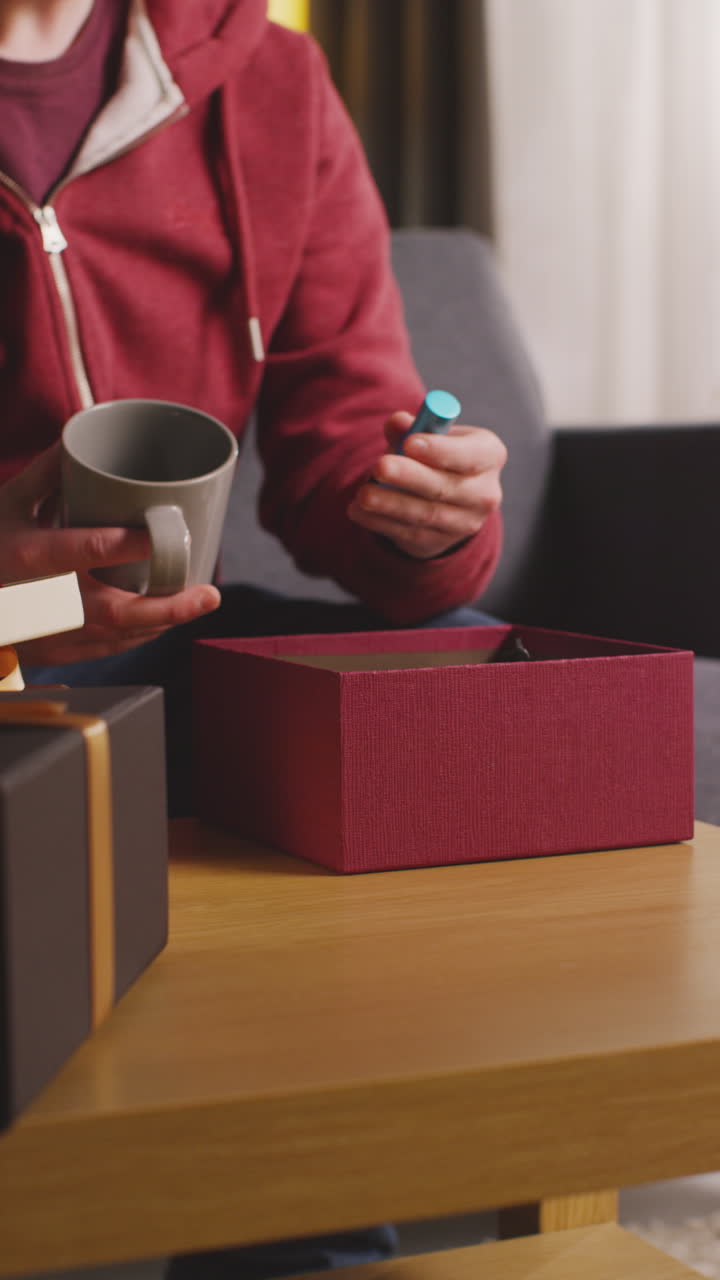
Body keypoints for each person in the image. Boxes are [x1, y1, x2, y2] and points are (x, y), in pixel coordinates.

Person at [0, 1, 507, 1275]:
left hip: (173, 649)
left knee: (466, 678)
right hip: (10, 663)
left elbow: (344, 436)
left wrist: (422, 515)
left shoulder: (266, 74)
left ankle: (322, 1214)